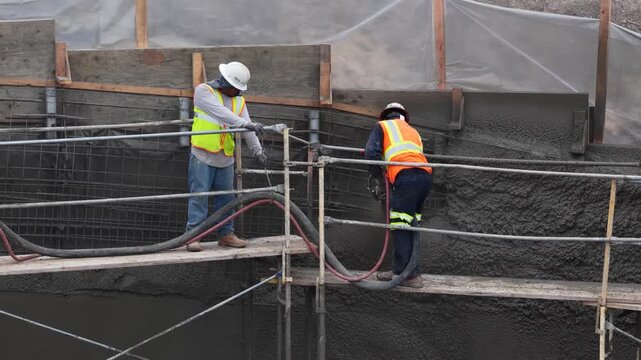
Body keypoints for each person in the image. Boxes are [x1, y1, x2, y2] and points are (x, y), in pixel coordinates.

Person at [185, 61, 267, 251]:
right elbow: (223, 115)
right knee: (199, 196)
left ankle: (226, 234)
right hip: (202, 154)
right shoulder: (203, 92)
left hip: (224, 157)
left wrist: (258, 151)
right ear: (225, 83)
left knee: (226, 198)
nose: (238, 92)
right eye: (235, 88)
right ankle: (193, 235)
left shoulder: (239, 100)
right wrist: (246, 124)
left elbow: (247, 127)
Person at [365, 102, 432, 288]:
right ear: (403, 116)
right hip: (424, 177)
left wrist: (378, 179)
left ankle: (404, 274)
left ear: (385, 115)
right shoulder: (413, 132)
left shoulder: (382, 126)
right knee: (411, 225)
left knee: (400, 224)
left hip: (406, 177)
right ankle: (410, 272)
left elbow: (371, 154)